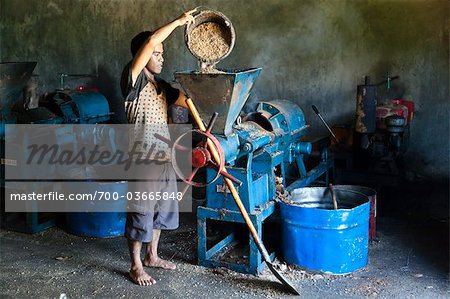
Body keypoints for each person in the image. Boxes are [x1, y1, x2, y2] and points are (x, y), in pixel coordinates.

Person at [120, 9, 196, 286]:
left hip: (163, 157)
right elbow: (152, 40)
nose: (161, 57)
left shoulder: (161, 85)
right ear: (142, 54)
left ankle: (152, 255)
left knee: (162, 208)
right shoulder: (133, 80)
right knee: (141, 210)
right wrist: (178, 21)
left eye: (163, 54)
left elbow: (186, 101)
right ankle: (135, 266)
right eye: (157, 53)